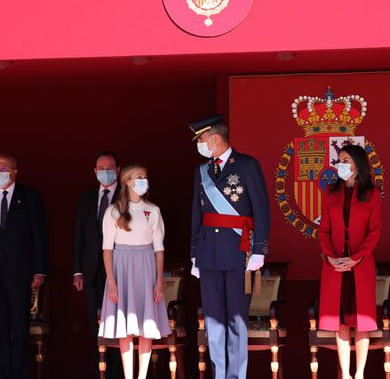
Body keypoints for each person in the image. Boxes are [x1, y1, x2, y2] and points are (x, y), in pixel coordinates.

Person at [189, 115, 270, 379]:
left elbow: (262, 210)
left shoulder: (247, 165)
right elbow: (196, 216)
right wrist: (193, 254)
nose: (199, 144)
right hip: (208, 254)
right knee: (213, 323)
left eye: (201, 139)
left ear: (215, 138)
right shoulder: (202, 171)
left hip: (239, 253)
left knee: (236, 321)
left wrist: (259, 249)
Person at [0, 153, 47, 379]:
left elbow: (39, 236)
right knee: (0, 327)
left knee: (19, 326)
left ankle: (20, 373)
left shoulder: (30, 197)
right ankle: (4, 373)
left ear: (15, 171)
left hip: (20, 272)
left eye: (4, 167)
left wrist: (39, 269)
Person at [98, 163, 170, 379]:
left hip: (146, 266)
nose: (143, 181)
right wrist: (111, 281)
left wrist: (159, 280)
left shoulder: (153, 210)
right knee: (126, 326)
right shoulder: (114, 211)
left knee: (146, 324)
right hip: (122, 267)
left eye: (145, 177)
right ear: (127, 181)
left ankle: (142, 376)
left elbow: (158, 247)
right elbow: (107, 249)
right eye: (138, 177)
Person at [318, 144, 381, 379]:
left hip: (360, 266)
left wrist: (355, 259)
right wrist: (331, 257)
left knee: (361, 320)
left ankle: (360, 373)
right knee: (341, 321)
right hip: (335, 266)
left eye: (345, 160)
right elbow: (323, 230)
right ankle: (345, 374)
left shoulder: (372, 193)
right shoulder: (330, 192)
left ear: (358, 164)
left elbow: (374, 233)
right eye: (340, 160)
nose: (340, 165)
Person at [72, 150, 124, 379]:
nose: (105, 172)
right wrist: (77, 271)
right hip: (92, 270)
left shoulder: (127, 195)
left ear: (119, 170)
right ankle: (101, 373)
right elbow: (79, 237)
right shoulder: (85, 198)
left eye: (109, 167)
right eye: (101, 168)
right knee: (97, 326)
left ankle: (119, 373)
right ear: (94, 171)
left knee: (119, 324)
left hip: (119, 270)